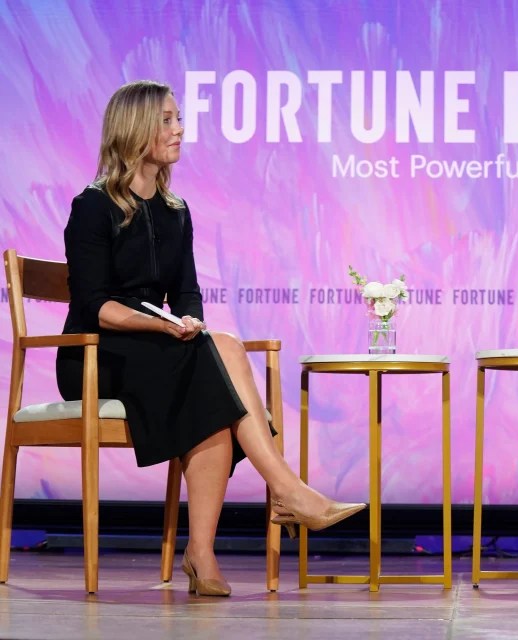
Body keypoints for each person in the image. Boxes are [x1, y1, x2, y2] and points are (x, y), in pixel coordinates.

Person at [56, 80, 365, 597]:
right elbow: (96, 306)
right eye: (168, 120)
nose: (180, 129)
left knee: (215, 357)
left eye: (179, 119)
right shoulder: (92, 206)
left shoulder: (176, 210)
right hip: (98, 355)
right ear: (135, 129)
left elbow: (188, 292)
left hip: (162, 349)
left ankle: (205, 551)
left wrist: (188, 320)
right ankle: (286, 490)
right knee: (216, 359)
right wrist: (161, 324)